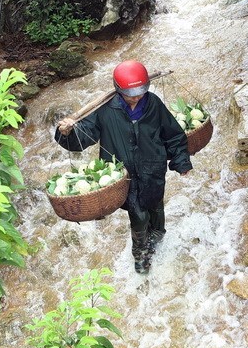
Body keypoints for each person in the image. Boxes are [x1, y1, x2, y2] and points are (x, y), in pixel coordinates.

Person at [55, 60, 192, 273]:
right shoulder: (105, 110)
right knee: (138, 214)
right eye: (130, 94)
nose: (136, 97)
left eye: (140, 92)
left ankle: (158, 234)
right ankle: (140, 254)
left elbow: (173, 134)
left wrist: (181, 160)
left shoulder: (153, 103)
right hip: (124, 175)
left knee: (156, 204)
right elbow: (83, 137)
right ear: (119, 91)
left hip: (153, 168)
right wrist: (67, 133)